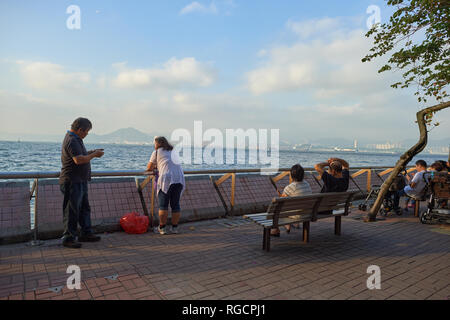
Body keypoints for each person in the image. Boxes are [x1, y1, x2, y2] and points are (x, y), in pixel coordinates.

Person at [59, 117, 104, 248]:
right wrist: (94, 155)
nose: (87, 134)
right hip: (72, 181)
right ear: (80, 130)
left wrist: (92, 152)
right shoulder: (71, 140)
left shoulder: (76, 139)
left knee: (84, 208)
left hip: (80, 181)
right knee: (71, 210)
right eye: (87, 132)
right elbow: (78, 160)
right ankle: (68, 238)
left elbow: (81, 155)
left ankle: (86, 233)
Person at [147, 136, 185, 235]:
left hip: (166, 179)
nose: (154, 145)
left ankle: (162, 228)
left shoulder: (156, 152)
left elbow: (149, 168)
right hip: (179, 178)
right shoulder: (173, 152)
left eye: (155, 143)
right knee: (175, 204)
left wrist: (156, 167)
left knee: (163, 205)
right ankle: (175, 228)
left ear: (158, 144)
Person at [271, 164, 312, 237]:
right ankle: (288, 225)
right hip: (307, 213)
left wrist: (281, 196)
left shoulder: (289, 188)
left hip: (296, 214)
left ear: (292, 176)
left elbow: (281, 203)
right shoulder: (307, 185)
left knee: (276, 209)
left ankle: (275, 230)